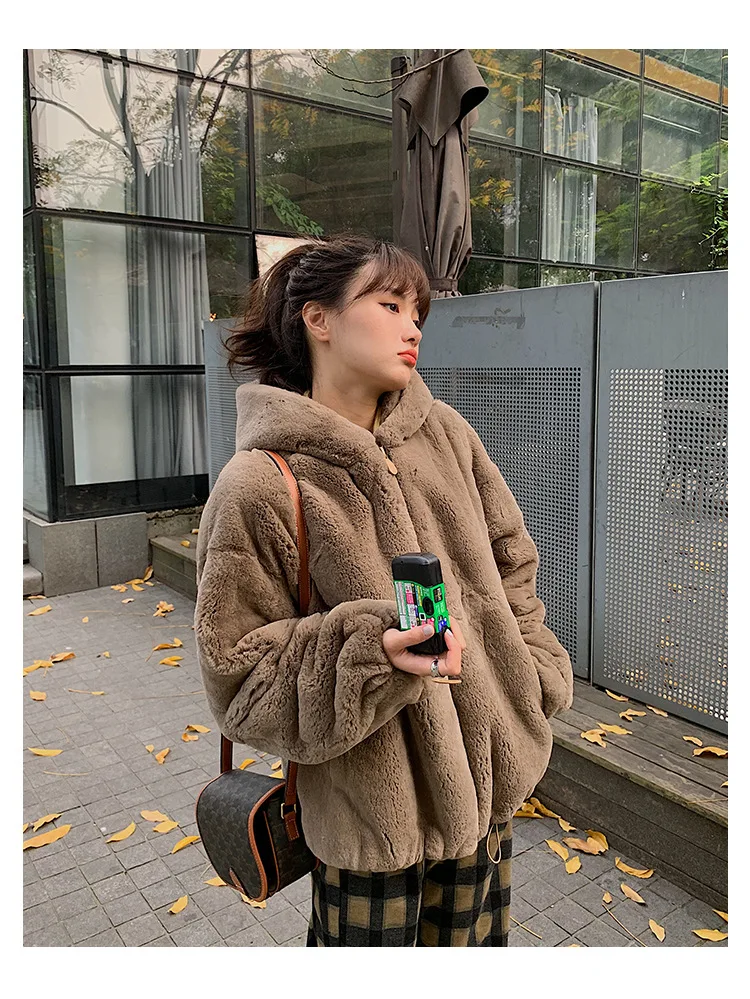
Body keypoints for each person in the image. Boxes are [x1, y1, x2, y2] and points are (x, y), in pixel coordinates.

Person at [194, 233, 573, 947]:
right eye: (391, 304)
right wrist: (372, 652)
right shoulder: (260, 483)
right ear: (319, 319)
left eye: (418, 312)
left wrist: (533, 673)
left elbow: (512, 561)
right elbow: (239, 676)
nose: (413, 327)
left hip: (489, 798)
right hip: (373, 830)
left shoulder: (447, 435)